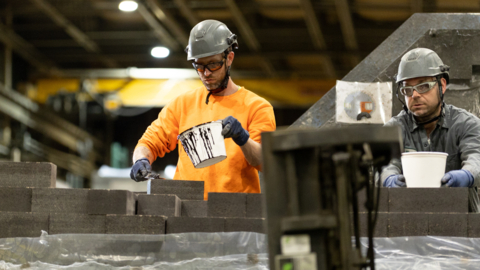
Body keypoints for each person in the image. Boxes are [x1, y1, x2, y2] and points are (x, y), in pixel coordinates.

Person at [129, 20, 276, 200]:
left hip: (236, 212)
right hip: (186, 209)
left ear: (229, 58)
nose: (205, 73)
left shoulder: (257, 106)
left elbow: (265, 162)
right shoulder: (182, 105)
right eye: (199, 66)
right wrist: (141, 160)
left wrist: (242, 137)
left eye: (213, 65)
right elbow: (149, 142)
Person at [380, 47, 480, 212]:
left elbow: (477, 157)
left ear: (442, 85)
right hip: (407, 222)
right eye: (407, 90)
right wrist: (388, 178)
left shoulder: (466, 124)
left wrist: (468, 175)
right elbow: (385, 164)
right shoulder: (393, 129)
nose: (415, 95)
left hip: (463, 224)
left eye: (423, 86)